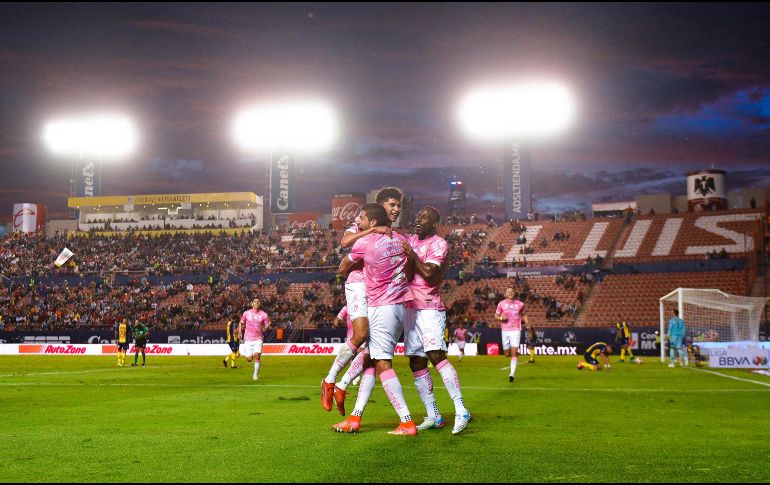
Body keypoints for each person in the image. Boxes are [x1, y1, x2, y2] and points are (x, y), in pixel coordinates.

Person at [332, 203, 417, 435]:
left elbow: (342, 266)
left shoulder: (365, 242)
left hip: (381, 306)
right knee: (370, 359)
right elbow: (410, 273)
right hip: (400, 305)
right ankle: (354, 417)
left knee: (382, 364)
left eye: (361, 217)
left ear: (371, 222)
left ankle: (407, 422)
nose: (358, 220)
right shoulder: (401, 240)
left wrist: (350, 267)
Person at [321, 187, 403, 414]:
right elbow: (345, 243)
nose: (396, 209)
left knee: (372, 352)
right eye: (392, 205)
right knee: (361, 336)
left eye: (398, 206)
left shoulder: (394, 234)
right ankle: (329, 381)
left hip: (381, 291)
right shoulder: (362, 223)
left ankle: (346, 395)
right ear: (380, 207)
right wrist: (372, 230)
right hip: (359, 283)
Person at [402, 206, 471, 434]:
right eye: (418, 216)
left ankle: (461, 410)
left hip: (430, 307)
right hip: (410, 308)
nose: (418, 220)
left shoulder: (438, 243)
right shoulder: (410, 239)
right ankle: (433, 415)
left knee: (435, 356)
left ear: (434, 223)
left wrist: (412, 256)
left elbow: (430, 274)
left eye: (424, 218)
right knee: (416, 361)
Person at [321, 305, 362, 414]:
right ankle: (333, 381)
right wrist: (337, 322)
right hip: (353, 336)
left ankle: (340, 384)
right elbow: (338, 319)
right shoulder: (346, 307)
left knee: (370, 356)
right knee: (361, 352)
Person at [495, 287, 529, 383]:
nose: (510, 293)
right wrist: (501, 318)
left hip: (516, 330)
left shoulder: (520, 304)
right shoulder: (501, 304)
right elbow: (496, 315)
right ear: (505, 293)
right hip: (505, 331)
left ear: (514, 293)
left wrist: (527, 323)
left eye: (512, 291)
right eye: (508, 291)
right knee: (506, 354)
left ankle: (512, 374)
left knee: (513, 354)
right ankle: (515, 354)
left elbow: (524, 314)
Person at [239, 297, 271, 381]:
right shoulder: (246, 313)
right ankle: (249, 354)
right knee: (249, 359)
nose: (256, 303)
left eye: (258, 301)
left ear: (259, 303)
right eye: (255, 301)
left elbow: (265, 328)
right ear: (252, 303)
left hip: (258, 338)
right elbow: (241, 323)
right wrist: (239, 332)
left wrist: (266, 327)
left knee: (257, 355)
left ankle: (255, 375)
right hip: (248, 338)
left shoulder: (264, 315)